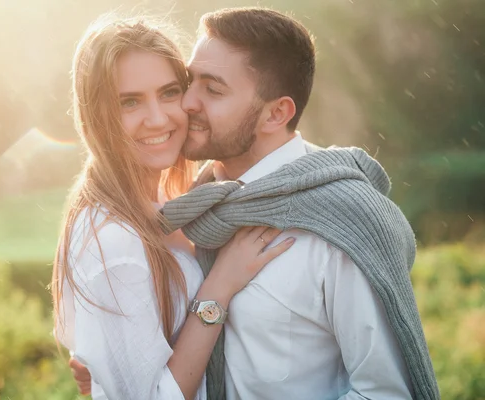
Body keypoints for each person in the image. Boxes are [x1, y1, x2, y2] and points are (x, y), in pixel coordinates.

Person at [70, 7, 440, 400]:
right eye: (189, 81)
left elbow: (387, 392)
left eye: (212, 89)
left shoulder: (338, 224)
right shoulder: (200, 206)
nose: (188, 104)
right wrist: (117, 367)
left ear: (276, 113)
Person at [50, 15, 296, 400]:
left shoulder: (172, 206)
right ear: (97, 117)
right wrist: (219, 286)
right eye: (129, 101)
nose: (158, 118)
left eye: (168, 93)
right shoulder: (115, 244)